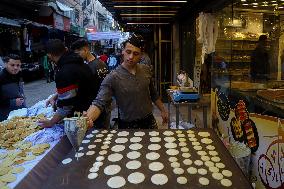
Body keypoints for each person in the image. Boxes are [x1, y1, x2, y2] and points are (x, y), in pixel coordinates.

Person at [86, 34, 169, 129]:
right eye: (128, 52)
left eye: (136, 54)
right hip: (127, 126)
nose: (131, 57)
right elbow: (99, 102)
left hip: (149, 121)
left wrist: (163, 110)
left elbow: (153, 93)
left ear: (141, 55)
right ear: (123, 51)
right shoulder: (113, 77)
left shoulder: (145, 70)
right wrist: (89, 118)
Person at [39, 39, 96, 128]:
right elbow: (75, 88)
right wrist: (56, 95)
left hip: (82, 119)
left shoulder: (64, 72)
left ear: (49, 55)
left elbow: (66, 107)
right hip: (91, 111)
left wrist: (51, 122)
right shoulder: (80, 63)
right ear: (65, 49)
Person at [71, 39, 110, 128]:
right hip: (103, 105)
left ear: (85, 50)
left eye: (78, 53)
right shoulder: (101, 63)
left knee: (98, 134)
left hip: (96, 107)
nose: (77, 56)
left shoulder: (89, 67)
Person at [0, 54, 26, 121]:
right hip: (6, 117)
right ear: (6, 64)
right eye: (12, 65)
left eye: (18, 65)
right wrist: (13, 102)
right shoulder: (1, 77)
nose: (15, 68)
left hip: (21, 112)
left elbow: (20, 91)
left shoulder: (19, 74)